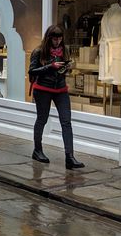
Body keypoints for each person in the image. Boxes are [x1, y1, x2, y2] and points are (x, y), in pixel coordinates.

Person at [29, 25, 84, 169]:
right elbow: (32, 70)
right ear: (49, 38)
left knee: (66, 121)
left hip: (60, 89)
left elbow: (61, 71)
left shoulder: (64, 50)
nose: (57, 42)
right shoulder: (39, 51)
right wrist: (50, 66)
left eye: (59, 39)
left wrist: (66, 68)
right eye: (55, 39)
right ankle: (37, 150)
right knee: (42, 119)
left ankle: (70, 157)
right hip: (42, 89)